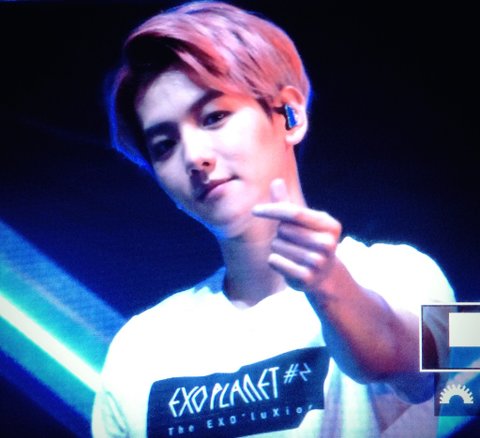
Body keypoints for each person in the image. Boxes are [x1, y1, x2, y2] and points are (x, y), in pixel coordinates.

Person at [91, 1, 455, 436]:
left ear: (289, 115)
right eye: (165, 145)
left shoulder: (413, 272)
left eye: (214, 117)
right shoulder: (136, 350)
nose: (194, 156)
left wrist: (329, 286)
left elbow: (450, 387)